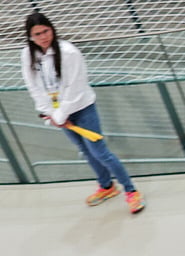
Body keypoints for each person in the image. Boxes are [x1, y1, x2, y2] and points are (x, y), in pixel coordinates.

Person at [20, 13, 145, 214]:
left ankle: (131, 191)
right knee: (86, 151)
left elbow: (75, 89)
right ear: (30, 36)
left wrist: (60, 115)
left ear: (52, 29)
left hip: (81, 108)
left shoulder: (69, 52)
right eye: (37, 34)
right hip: (59, 113)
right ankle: (106, 187)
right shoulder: (27, 54)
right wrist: (49, 112)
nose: (43, 36)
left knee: (99, 151)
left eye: (46, 31)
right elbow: (33, 85)